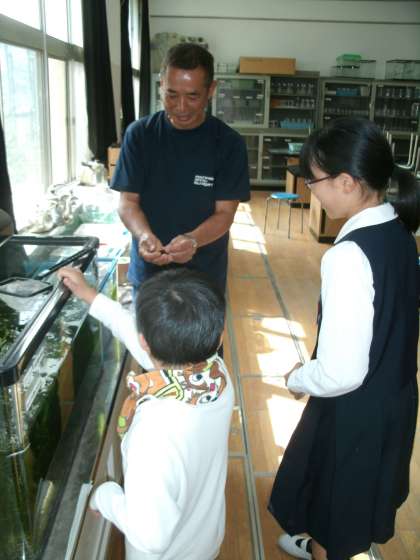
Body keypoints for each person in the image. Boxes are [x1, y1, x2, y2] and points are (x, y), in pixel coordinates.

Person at [268, 117, 419, 560]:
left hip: (356, 412)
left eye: (313, 180)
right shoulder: (399, 231)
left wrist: (298, 378)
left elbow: (341, 373)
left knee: (335, 512)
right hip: (393, 399)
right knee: (355, 502)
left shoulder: (348, 255)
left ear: (347, 182)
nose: (310, 190)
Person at [58, 266, 234, 560]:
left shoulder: (153, 433)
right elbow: (140, 339)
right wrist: (90, 295)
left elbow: (151, 537)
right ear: (219, 337)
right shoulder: (214, 375)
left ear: (145, 341)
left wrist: (105, 496)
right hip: (205, 538)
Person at [110, 42, 250, 294]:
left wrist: (193, 240)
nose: (181, 107)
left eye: (193, 96)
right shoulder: (139, 135)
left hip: (203, 277)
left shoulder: (229, 144)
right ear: (160, 85)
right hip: (149, 274)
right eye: (172, 95)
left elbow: (225, 213)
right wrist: (143, 235)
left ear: (211, 90)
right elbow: (127, 202)